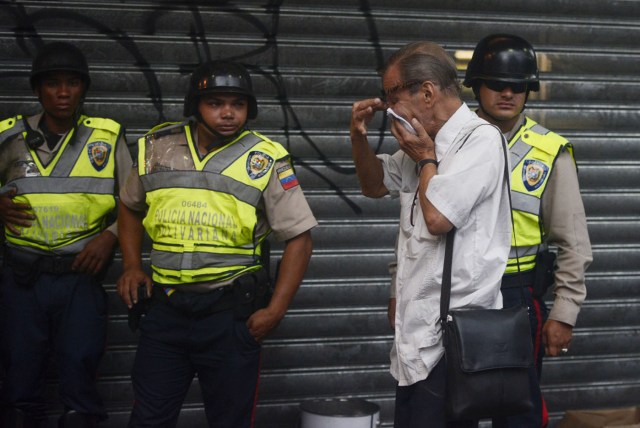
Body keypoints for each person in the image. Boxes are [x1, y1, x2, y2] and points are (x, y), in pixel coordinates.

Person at [116, 60, 317, 428]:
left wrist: (275, 312)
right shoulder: (156, 148)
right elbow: (129, 207)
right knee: (147, 419)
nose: (228, 113)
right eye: (216, 103)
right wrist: (131, 265)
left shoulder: (266, 158)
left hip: (228, 318)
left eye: (237, 104)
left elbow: (300, 241)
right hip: (165, 314)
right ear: (196, 106)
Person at [350, 41, 511, 427]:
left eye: (392, 93)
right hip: (416, 331)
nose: (387, 105)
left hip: (453, 339)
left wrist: (425, 157)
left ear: (426, 92)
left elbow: (438, 219)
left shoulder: (480, 140)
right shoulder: (423, 142)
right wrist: (359, 137)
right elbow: (373, 186)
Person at [462, 33, 593, 428]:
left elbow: (573, 241)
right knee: (450, 409)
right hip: (454, 292)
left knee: (516, 412)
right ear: (476, 86)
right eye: (497, 84)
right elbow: (417, 226)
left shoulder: (549, 150)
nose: (508, 93)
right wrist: (401, 289)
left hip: (516, 295)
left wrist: (564, 312)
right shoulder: (448, 141)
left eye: (518, 86)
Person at [0, 42, 132, 427]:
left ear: (83, 89)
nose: (62, 92)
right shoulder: (8, 135)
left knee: (80, 372)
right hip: (22, 280)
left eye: (72, 83)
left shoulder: (106, 137)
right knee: (19, 378)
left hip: (80, 277)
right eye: (52, 83)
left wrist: (109, 237)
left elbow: (135, 203)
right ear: (37, 89)